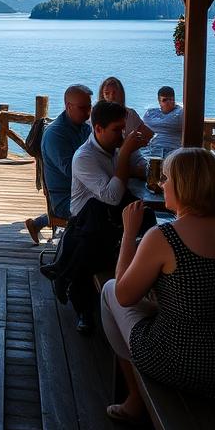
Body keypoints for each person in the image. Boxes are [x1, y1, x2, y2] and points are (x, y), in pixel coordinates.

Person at [101, 149, 215, 421]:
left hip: (177, 358)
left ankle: (134, 396)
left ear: (184, 185)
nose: (161, 184)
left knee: (110, 290)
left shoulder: (164, 236)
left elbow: (125, 296)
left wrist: (128, 234)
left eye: (166, 178)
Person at [49, 100, 152, 334]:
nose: (121, 135)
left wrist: (141, 165)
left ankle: (65, 272)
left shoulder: (116, 147)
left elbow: (142, 166)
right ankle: (84, 306)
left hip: (107, 223)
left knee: (146, 215)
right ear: (98, 129)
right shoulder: (84, 157)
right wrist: (125, 153)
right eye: (116, 130)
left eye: (123, 129)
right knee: (95, 219)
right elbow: (112, 196)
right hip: (85, 223)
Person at [25, 85, 93, 244]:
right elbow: (73, 171)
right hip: (65, 199)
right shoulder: (56, 134)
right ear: (69, 107)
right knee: (110, 207)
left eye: (90, 107)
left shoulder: (83, 127)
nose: (88, 112)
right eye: (83, 108)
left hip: (80, 192)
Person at [141, 86, 183, 158]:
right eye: (164, 100)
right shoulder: (151, 113)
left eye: (171, 99)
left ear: (174, 100)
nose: (168, 102)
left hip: (171, 150)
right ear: (159, 101)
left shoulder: (180, 113)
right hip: (150, 149)